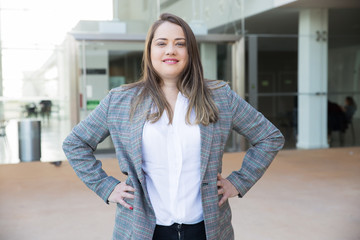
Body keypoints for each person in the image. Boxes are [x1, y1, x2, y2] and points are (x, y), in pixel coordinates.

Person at [63, 13, 284, 240]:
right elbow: (75, 143)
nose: (170, 50)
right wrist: (105, 187)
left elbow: (269, 137)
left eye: (180, 44)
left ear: (191, 52)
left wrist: (238, 182)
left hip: (206, 229)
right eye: (161, 43)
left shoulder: (220, 97)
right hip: (142, 229)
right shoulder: (120, 100)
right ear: (150, 51)